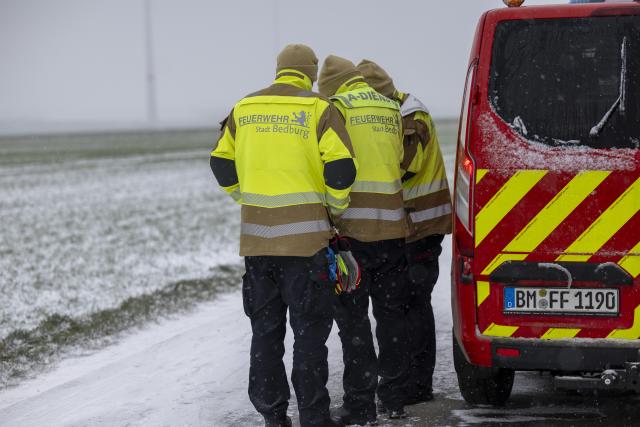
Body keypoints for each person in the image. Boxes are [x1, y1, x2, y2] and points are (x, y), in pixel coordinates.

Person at [210, 44, 357, 427]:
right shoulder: (319, 108)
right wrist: (333, 207)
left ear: (279, 71)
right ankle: (313, 417)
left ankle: (273, 416)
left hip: (258, 247)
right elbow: (341, 169)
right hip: (307, 249)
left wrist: (246, 198)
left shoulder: (244, 108)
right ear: (310, 74)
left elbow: (220, 164)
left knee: (265, 335)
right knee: (309, 339)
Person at [318, 55, 411, 425]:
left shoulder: (336, 108)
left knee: (354, 323)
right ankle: (394, 398)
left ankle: (360, 405)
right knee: (391, 319)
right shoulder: (391, 108)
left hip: (351, 237)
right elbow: (400, 161)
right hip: (392, 231)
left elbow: (334, 166)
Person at [357, 59, 452, 406]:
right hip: (409, 225)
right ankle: (410, 382)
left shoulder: (410, 116)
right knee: (406, 305)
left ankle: (417, 385)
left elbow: (404, 166)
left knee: (413, 304)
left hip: (421, 226)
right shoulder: (400, 111)